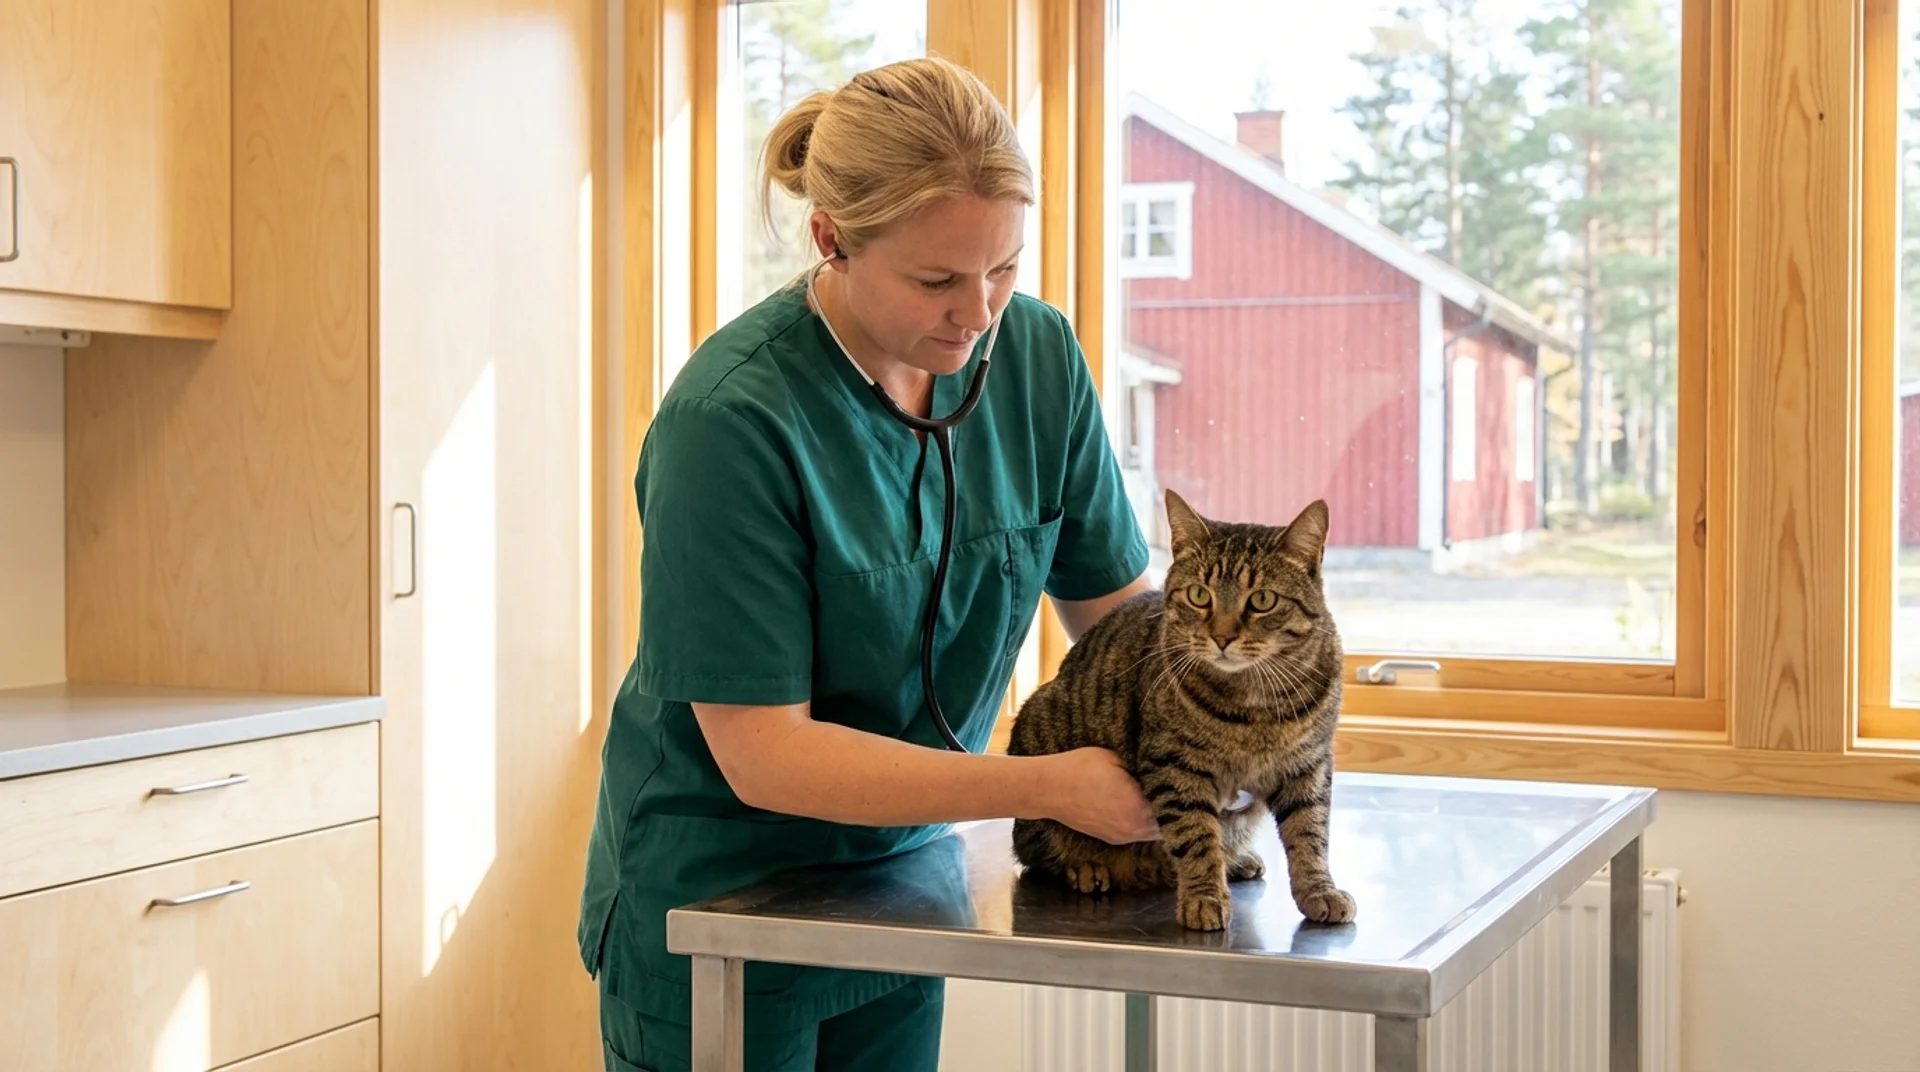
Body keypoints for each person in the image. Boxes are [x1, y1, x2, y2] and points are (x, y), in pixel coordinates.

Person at [577, 55, 1161, 1072]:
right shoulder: (733, 422)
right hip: (721, 902)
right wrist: (1044, 784)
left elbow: (1123, 624)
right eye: (936, 279)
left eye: (1004, 267)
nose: (977, 312)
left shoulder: (1036, 358)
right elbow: (767, 755)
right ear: (831, 239)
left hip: (899, 886)